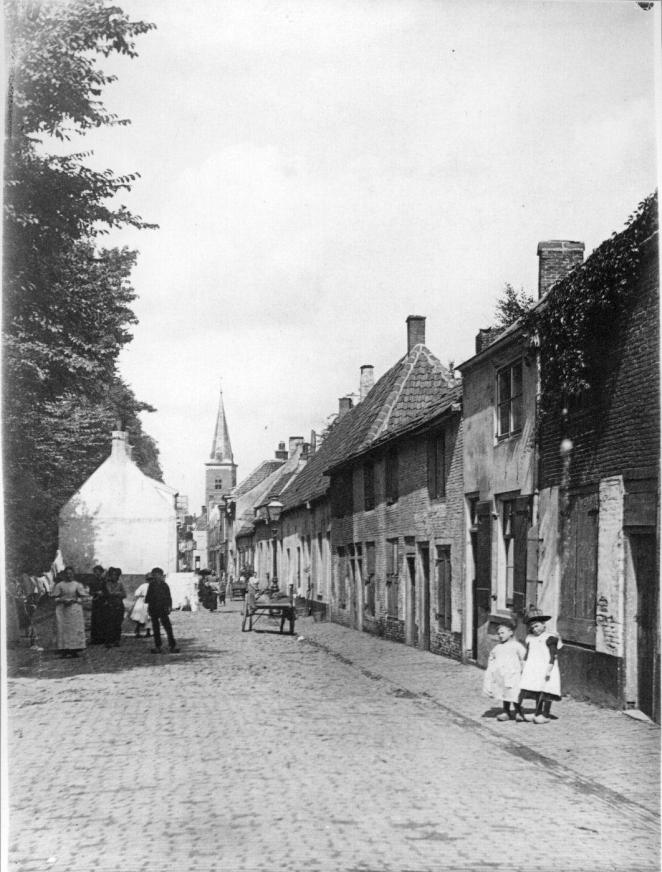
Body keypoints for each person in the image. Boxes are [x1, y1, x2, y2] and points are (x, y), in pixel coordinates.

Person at [518, 607, 563, 724]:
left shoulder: (549, 638)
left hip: (547, 668)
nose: (534, 629)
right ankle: (537, 712)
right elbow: (528, 653)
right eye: (532, 627)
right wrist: (524, 665)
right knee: (537, 689)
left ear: (544, 625)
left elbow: (553, 655)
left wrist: (550, 668)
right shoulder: (530, 639)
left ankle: (546, 714)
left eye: (537, 626)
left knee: (547, 690)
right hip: (535, 668)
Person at [483, 619, 526, 721]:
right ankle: (506, 712)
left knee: (515, 693)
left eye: (502, 633)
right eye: (498, 634)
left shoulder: (517, 646)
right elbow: (492, 658)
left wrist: (523, 671)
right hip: (502, 675)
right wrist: (492, 671)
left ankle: (519, 712)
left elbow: (523, 658)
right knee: (504, 693)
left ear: (511, 632)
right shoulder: (498, 647)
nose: (500, 635)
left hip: (514, 674)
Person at [52, 567, 89, 658]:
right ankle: (64, 649)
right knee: (63, 629)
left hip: (74, 609)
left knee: (74, 629)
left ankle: (74, 649)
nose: (69, 575)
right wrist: (61, 600)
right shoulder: (59, 585)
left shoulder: (77, 585)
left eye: (70, 573)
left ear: (73, 574)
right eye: (67, 573)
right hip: (62, 609)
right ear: (64, 574)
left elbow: (85, 597)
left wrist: (76, 599)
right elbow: (54, 598)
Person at [145, 567, 179, 654]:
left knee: (168, 627)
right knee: (156, 628)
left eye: (158, 575)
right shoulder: (151, 585)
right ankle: (158, 646)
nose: (156, 577)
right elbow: (148, 597)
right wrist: (149, 608)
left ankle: (172, 645)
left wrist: (169, 606)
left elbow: (168, 597)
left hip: (163, 608)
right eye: (154, 575)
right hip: (154, 608)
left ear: (161, 575)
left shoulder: (165, 585)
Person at [100, 566, 127, 648]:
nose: (114, 576)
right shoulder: (108, 583)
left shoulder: (120, 583)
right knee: (109, 623)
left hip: (119, 605)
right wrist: (118, 593)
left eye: (115, 575)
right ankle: (108, 640)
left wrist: (117, 594)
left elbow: (124, 594)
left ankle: (117, 640)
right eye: (112, 575)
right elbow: (109, 593)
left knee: (118, 623)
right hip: (110, 605)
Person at [89, 565, 105, 644]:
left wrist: (103, 593)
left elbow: (107, 590)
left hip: (103, 601)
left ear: (102, 572)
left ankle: (102, 638)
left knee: (103, 619)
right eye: (96, 572)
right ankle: (95, 638)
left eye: (99, 572)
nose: (97, 574)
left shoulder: (104, 581)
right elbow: (90, 592)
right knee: (95, 619)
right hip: (96, 602)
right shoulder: (92, 581)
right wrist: (96, 592)